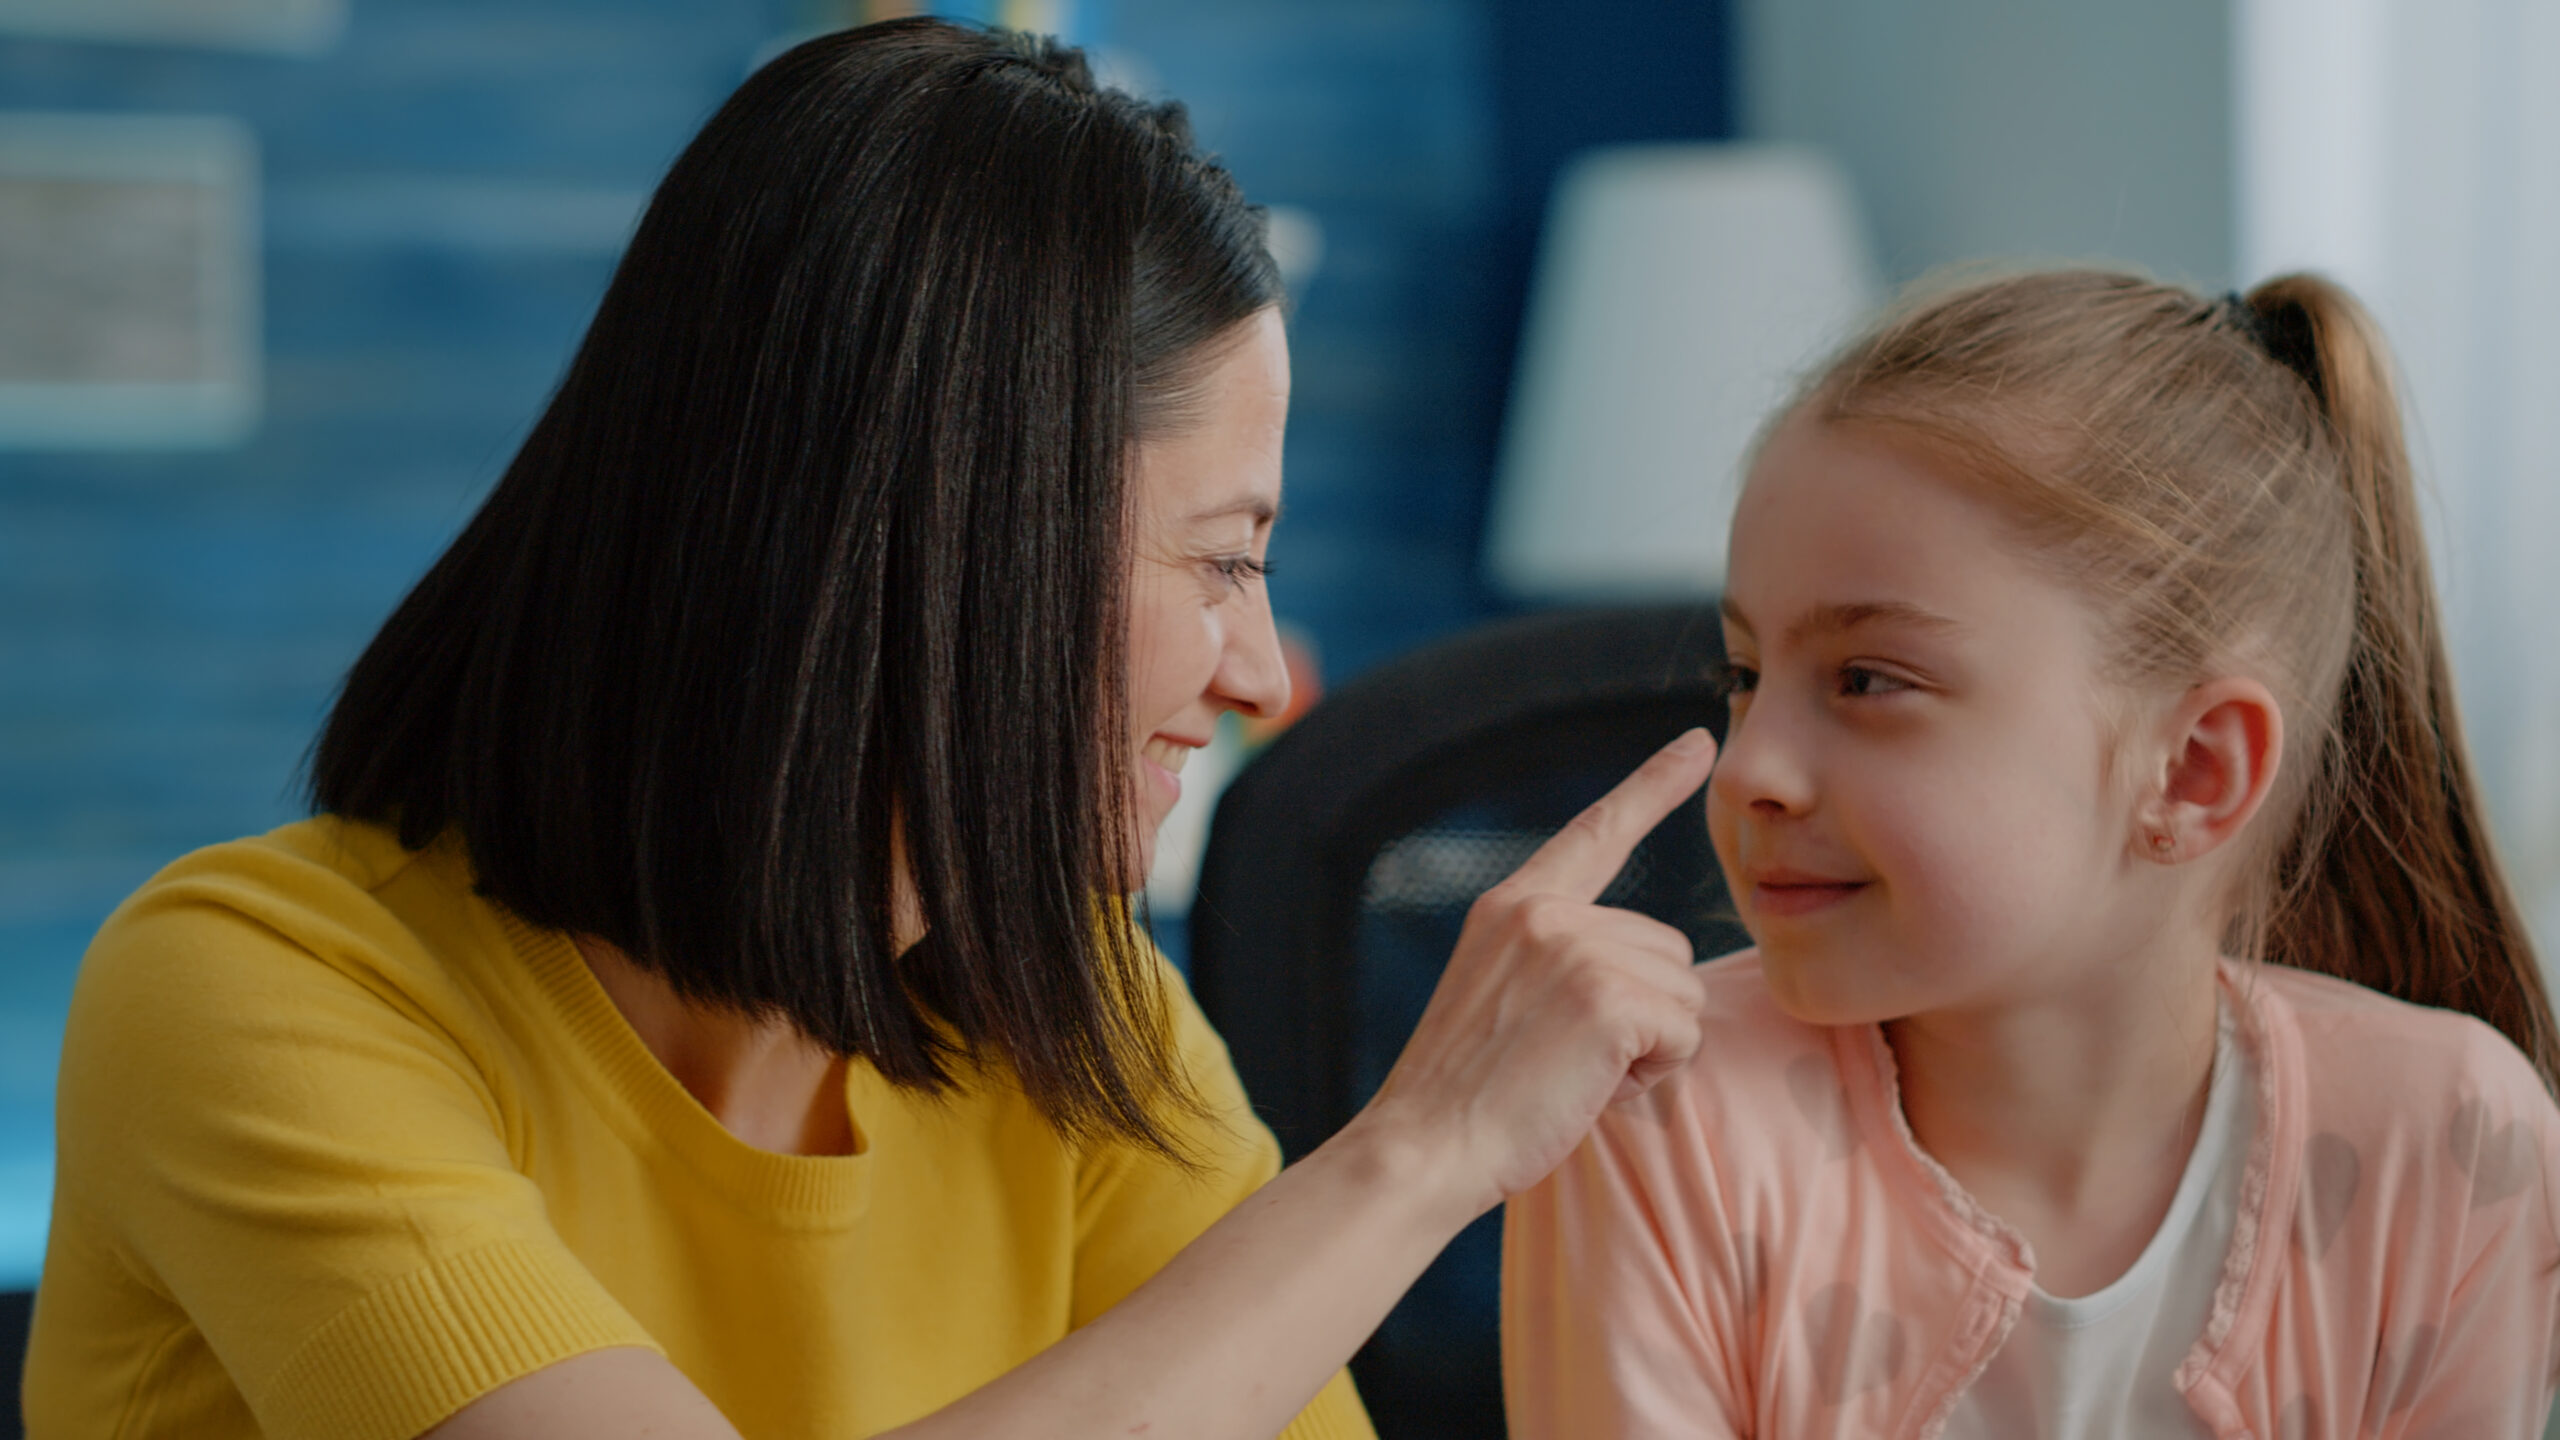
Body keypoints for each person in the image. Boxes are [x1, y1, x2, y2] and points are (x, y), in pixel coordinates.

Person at [23, 20, 1719, 1440]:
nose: (1262, 675)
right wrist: (1419, 1158)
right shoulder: (258, 995)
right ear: (954, 545)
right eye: (1221, 560)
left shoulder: (1081, 1019)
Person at [1502, 269, 2560, 1438]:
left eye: (1866, 681)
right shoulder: (1657, 1113)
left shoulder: (2455, 1141)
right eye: (1747, 677)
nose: (1749, 766)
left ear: (2194, 770)